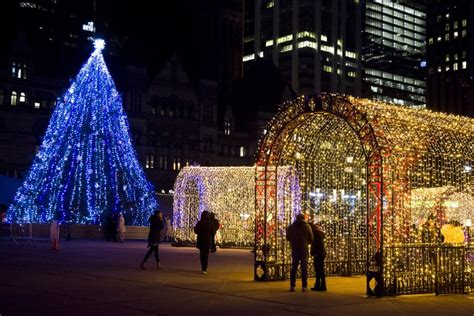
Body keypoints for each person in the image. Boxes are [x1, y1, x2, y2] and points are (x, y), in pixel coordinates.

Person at [286, 213, 313, 292]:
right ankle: (304, 286)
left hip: (295, 248)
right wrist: (306, 242)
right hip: (303, 249)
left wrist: (293, 241)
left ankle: (292, 285)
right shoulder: (307, 226)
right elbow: (311, 238)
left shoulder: (291, 227)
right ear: (303, 218)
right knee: (304, 268)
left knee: (294, 267)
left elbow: (287, 237)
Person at [309, 221, 326, 291]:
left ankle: (321, 285)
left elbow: (318, 244)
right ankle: (319, 285)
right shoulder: (319, 233)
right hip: (321, 253)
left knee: (319, 270)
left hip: (318, 253)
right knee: (319, 269)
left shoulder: (316, 234)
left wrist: (314, 252)